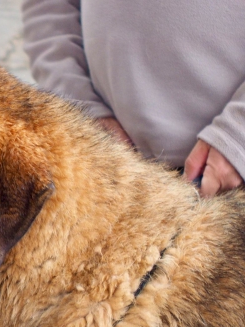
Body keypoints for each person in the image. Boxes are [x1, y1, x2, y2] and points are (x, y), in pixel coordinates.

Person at [22, 0, 245, 197]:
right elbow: (47, 9)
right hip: (106, 167)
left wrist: (237, 135)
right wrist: (77, 105)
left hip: (229, 173)